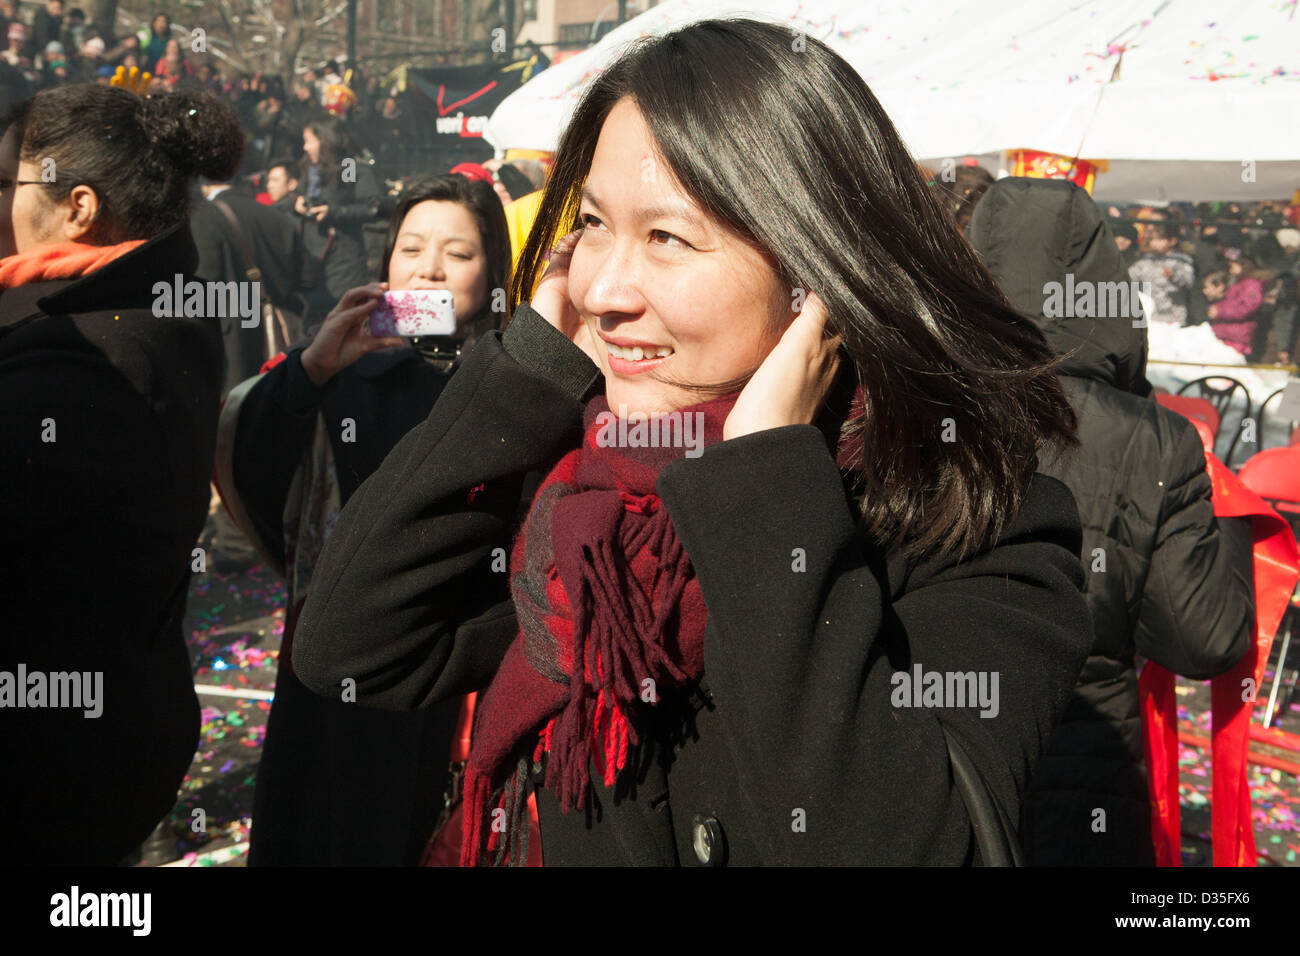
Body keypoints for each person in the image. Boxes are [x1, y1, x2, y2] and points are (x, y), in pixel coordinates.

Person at [291, 18, 1093, 866]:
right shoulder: (580, 484)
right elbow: (354, 646)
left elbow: (915, 846)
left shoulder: (972, 522)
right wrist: (523, 373)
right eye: (594, 224)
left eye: (666, 238)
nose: (602, 290)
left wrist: (769, 484)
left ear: (814, 266)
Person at [214, 174, 511, 865]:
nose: (429, 269)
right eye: (411, 249)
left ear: (494, 268)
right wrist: (313, 368)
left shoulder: (514, 381)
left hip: (458, 675)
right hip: (339, 667)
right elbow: (252, 470)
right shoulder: (340, 371)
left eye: (458, 254)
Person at [964, 177, 1255, 866]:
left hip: (935, 773)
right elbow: (1206, 637)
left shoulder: (911, 411)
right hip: (1084, 786)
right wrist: (1231, 524)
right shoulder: (1152, 439)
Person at [0, 84, 243, 865]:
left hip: (48, 762)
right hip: (116, 731)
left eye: (11, 185)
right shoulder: (158, 302)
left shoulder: (83, 355)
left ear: (77, 208)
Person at [295, 116, 378, 326]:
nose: (305, 147)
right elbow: (297, 197)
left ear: (325, 140)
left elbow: (366, 206)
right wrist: (298, 205)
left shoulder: (347, 166)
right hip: (312, 256)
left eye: (309, 140)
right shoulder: (309, 169)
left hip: (342, 257)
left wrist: (333, 212)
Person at [1205, 256, 1268, 357]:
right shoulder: (1238, 283)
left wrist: (1221, 312)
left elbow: (1248, 307)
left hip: (1238, 336)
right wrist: (1217, 308)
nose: (1231, 270)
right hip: (1227, 333)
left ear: (1244, 266)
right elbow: (1231, 303)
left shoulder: (1252, 284)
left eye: (1233, 267)